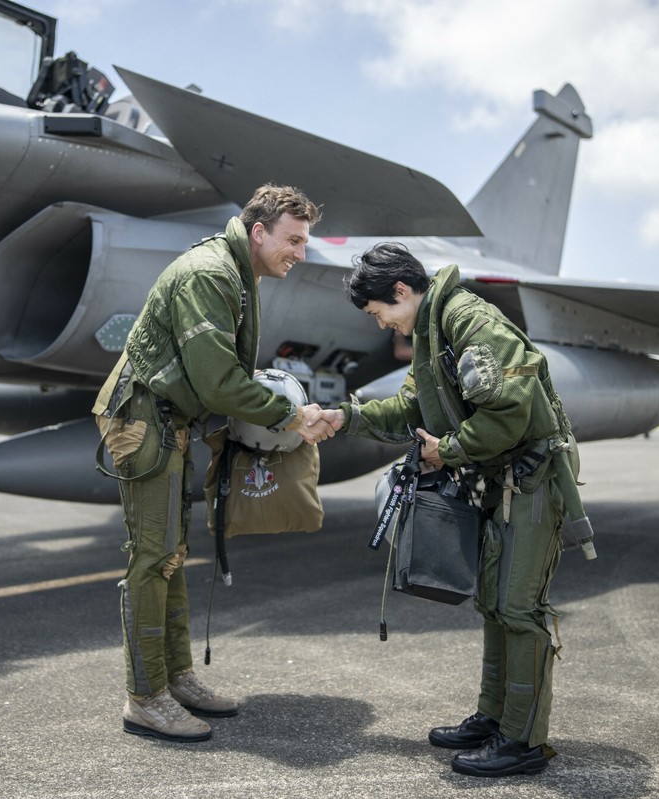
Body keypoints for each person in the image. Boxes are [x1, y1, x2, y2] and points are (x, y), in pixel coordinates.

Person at [319, 242, 590, 777]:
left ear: (401, 291)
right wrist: (344, 417)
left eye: (378, 312)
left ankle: (523, 741)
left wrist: (448, 450)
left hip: (532, 479)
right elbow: (410, 407)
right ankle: (494, 718)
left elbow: (509, 412)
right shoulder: (431, 334)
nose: (381, 325)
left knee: (518, 608)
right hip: (499, 479)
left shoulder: (468, 321)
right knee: (492, 602)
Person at [92, 184, 333, 743]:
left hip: (167, 420)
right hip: (143, 418)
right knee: (153, 557)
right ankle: (145, 697)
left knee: (172, 555)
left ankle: (175, 678)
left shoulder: (235, 273)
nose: (300, 253)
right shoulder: (210, 274)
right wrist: (292, 417)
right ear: (259, 232)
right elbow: (219, 382)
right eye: (293, 240)